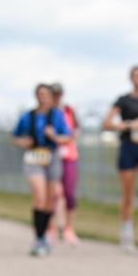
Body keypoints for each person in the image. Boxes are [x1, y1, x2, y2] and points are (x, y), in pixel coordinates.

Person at [102, 65, 138, 254]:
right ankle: (127, 233)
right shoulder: (123, 100)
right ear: (131, 78)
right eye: (135, 76)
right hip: (128, 147)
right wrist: (129, 125)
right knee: (128, 196)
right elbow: (107, 124)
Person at [12, 84, 72, 256]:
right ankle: (38, 238)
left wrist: (54, 136)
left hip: (52, 157)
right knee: (39, 197)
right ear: (36, 96)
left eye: (46, 94)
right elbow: (15, 137)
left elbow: (67, 138)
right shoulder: (27, 117)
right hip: (34, 158)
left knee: (49, 200)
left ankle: (45, 235)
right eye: (40, 94)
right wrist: (24, 142)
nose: (43, 97)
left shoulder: (57, 116)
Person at [50, 82, 81, 245]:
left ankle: (69, 228)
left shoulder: (69, 111)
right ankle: (54, 227)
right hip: (52, 156)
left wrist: (66, 139)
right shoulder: (47, 112)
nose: (57, 97)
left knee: (69, 194)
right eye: (54, 94)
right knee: (55, 194)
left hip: (69, 155)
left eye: (59, 94)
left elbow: (76, 131)